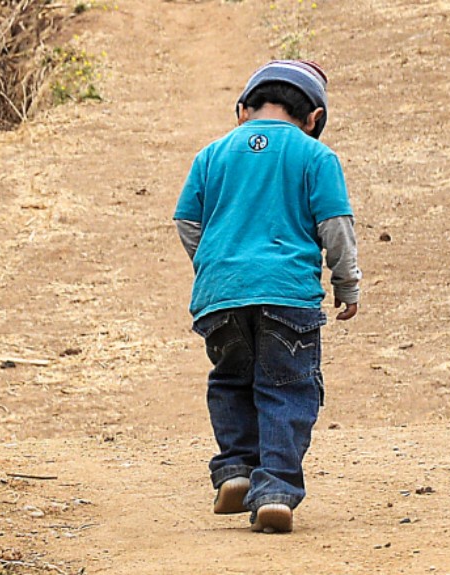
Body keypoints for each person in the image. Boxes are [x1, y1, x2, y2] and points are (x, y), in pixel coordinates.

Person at [173, 60, 362, 534]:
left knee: (232, 381)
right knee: (286, 387)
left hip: (221, 294)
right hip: (287, 294)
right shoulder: (316, 157)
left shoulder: (211, 155)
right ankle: (275, 488)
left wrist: (215, 262)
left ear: (243, 110)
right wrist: (346, 283)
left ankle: (235, 470)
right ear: (313, 118)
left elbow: (186, 222)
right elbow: (334, 226)